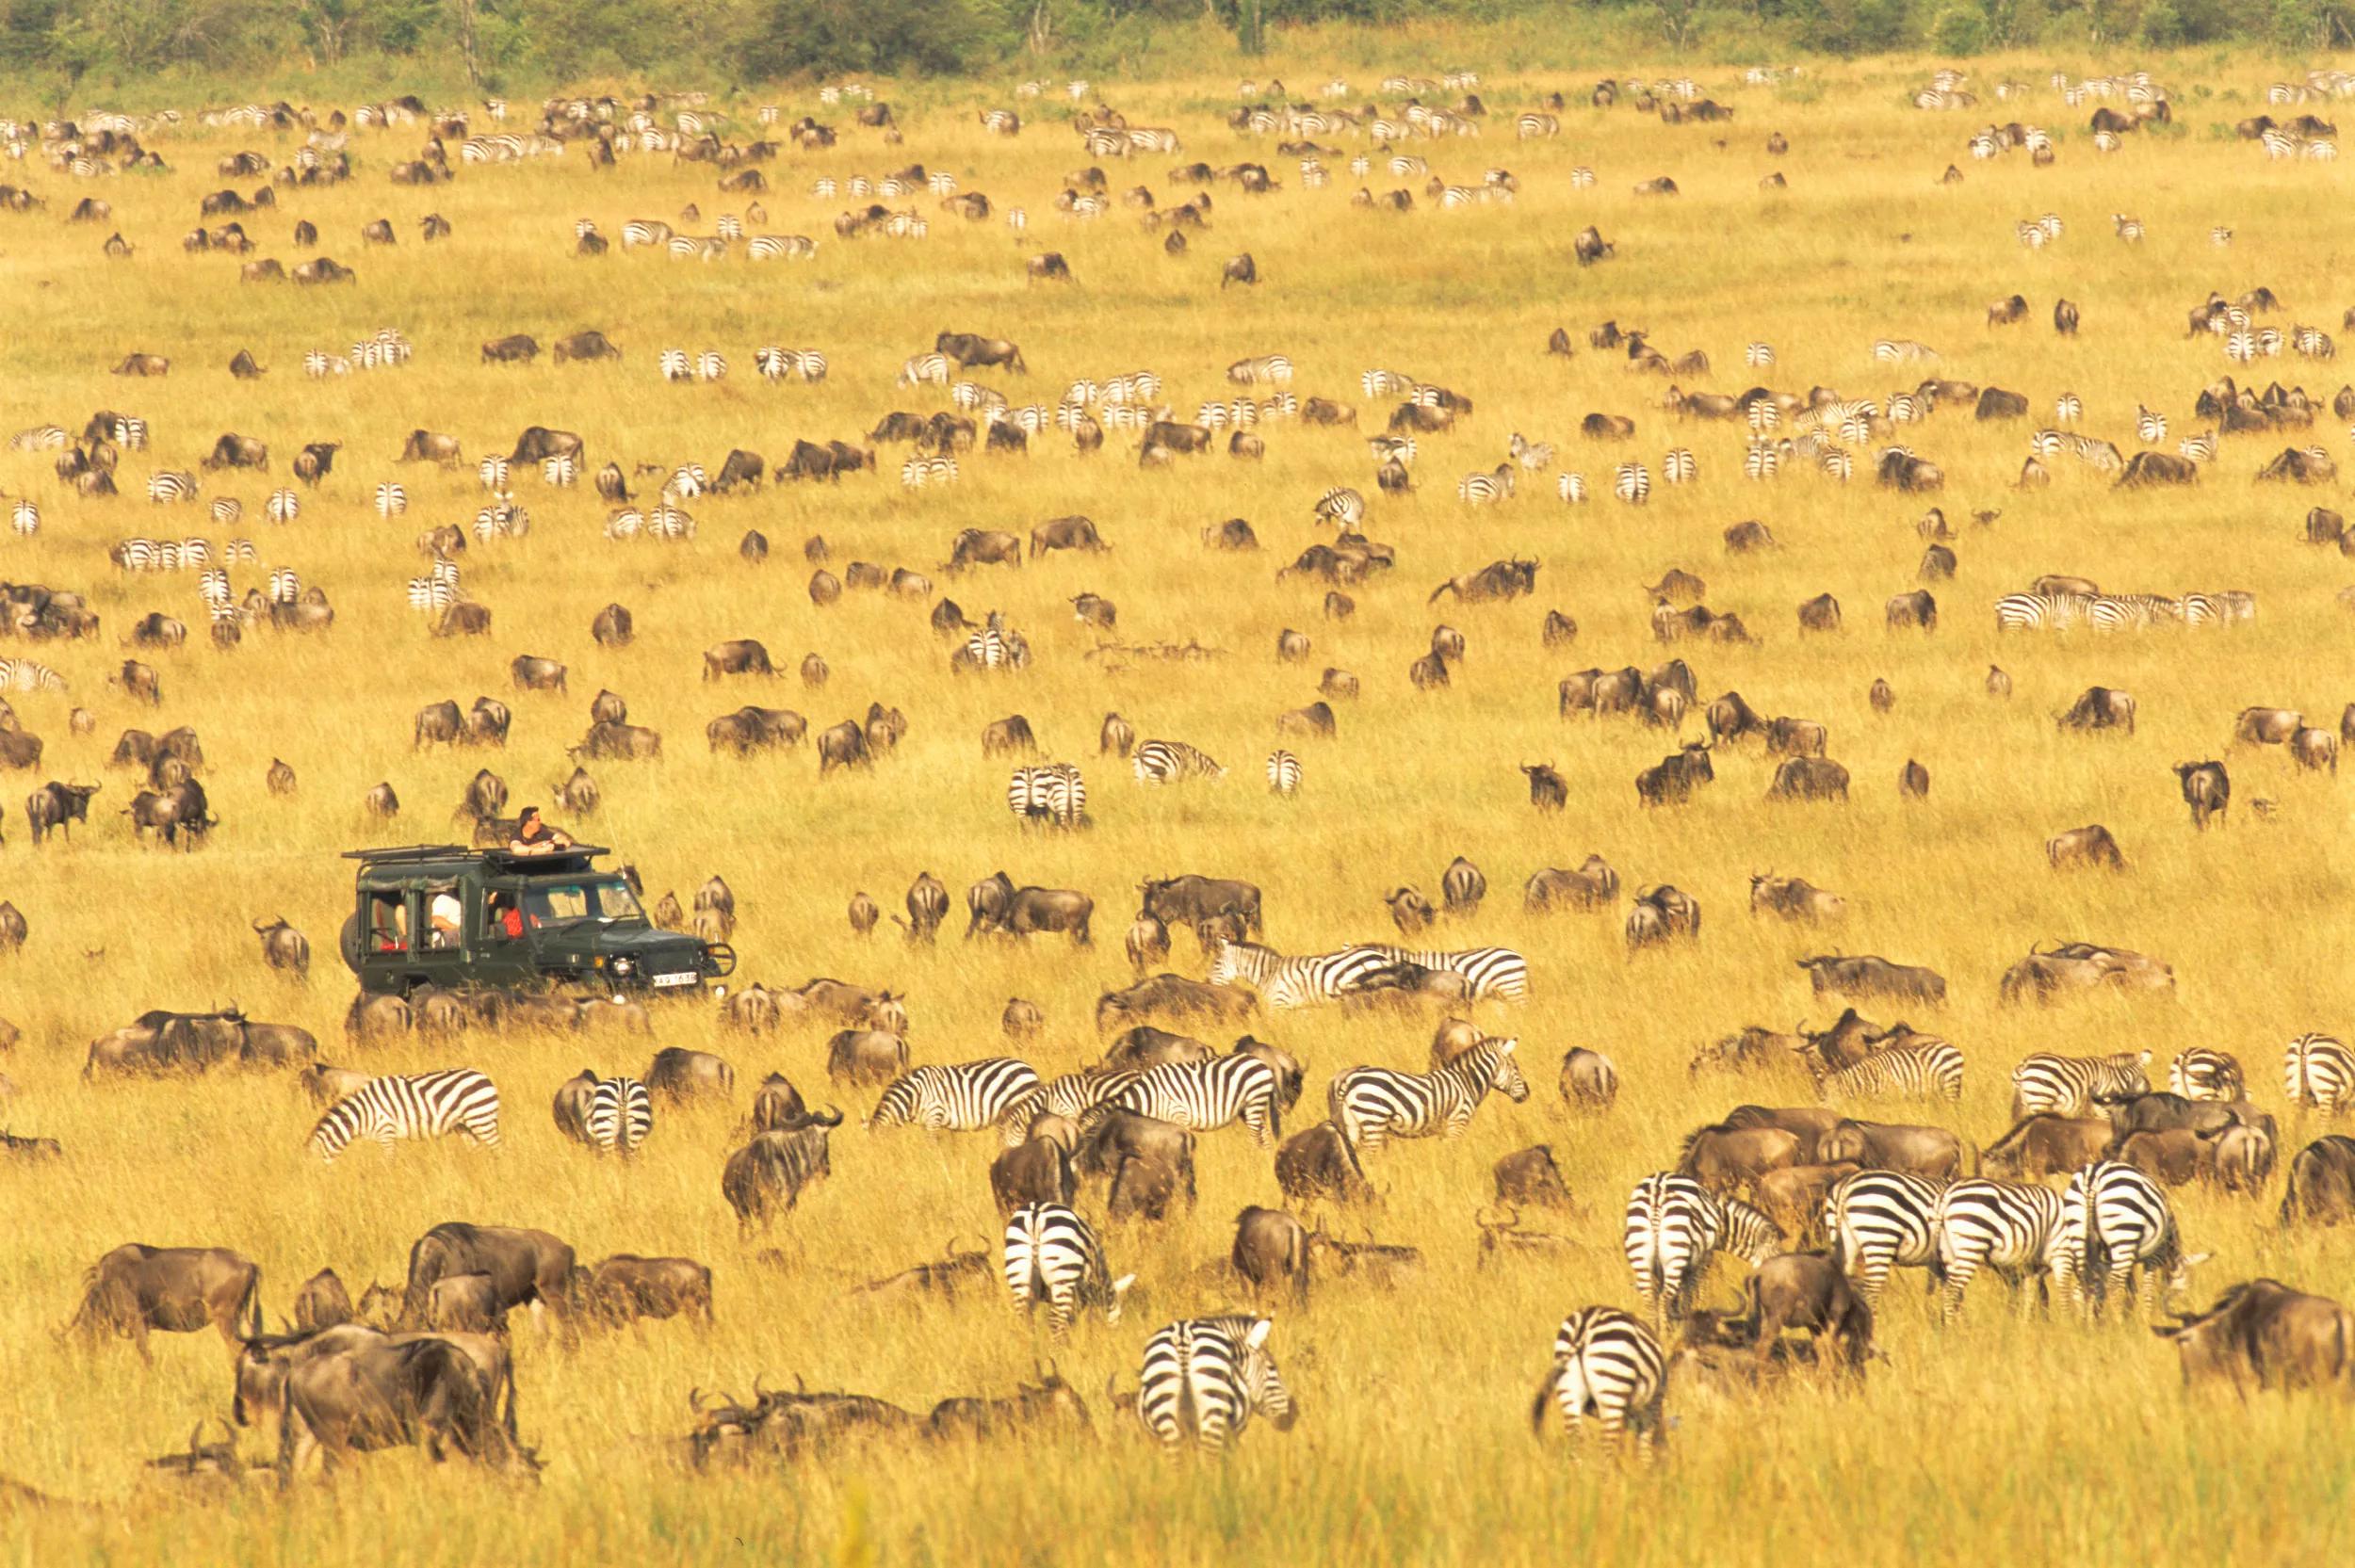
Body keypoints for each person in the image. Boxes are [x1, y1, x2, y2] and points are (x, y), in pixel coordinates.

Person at [508, 806, 574, 857]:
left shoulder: (541, 831)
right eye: (538, 820)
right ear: (529, 822)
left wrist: (549, 843)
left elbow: (565, 840)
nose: (540, 822)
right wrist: (542, 849)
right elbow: (517, 849)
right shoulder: (517, 835)